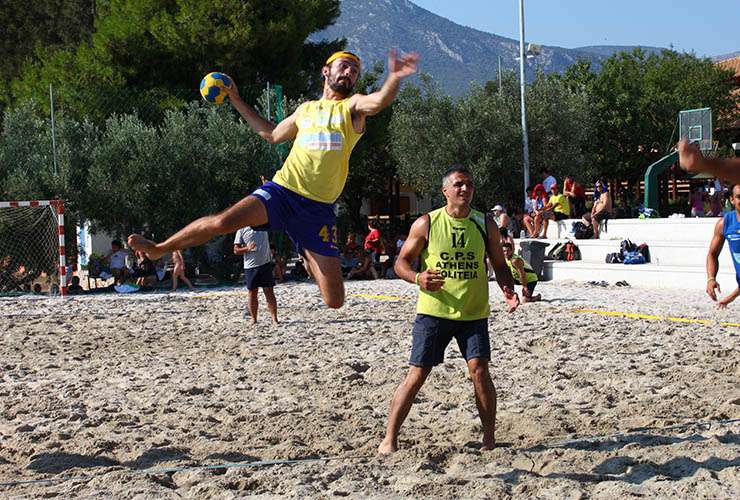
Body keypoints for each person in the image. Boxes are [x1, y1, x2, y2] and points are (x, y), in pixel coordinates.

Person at [128, 49, 419, 309]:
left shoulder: (351, 107)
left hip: (317, 210)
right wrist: (236, 100)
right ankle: (159, 249)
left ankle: (304, 247)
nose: (349, 73)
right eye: (344, 66)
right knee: (222, 223)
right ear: (325, 71)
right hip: (283, 191)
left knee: (335, 301)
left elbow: (378, 101)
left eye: (354, 71)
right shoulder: (305, 110)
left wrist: (394, 78)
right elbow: (271, 134)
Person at [378, 165, 520, 454]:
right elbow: (400, 263)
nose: (464, 189)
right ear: (445, 191)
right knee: (417, 375)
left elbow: (499, 264)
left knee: (480, 372)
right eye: (458, 185)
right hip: (434, 312)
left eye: (468, 184)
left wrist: (508, 289)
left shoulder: (485, 223)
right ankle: (389, 438)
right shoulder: (427, 223)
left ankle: (489, 439)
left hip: (473, 313)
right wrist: (418, 277)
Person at [234, 226, 278, 323]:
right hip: (250, 266)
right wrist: (247, 248)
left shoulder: (262, 224)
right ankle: (254, 319)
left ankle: (275, 319)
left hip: (265, 264)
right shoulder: (241, 229)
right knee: (252, 292)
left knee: (269, 291)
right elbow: (236, 250)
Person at [706, 184, 740, 308]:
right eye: (739, 197)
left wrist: (730, 298)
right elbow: (712, 254)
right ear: (732, 199)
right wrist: (711, 278)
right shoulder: (724, 224)